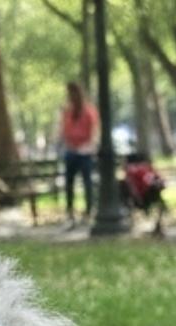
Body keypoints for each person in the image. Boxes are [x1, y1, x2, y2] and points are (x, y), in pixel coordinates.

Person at [60, 82, 99, 226]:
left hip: (85, 151)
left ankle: (88, 211)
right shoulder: (68, 111)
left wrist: (87, 144)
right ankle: (70, 213)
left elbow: (93, 130)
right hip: (71, 150)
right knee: (69, 183)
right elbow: (64, 129)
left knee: (87, 182)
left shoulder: (88, 110)